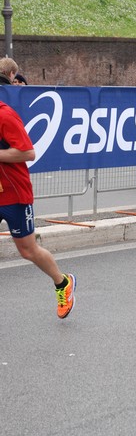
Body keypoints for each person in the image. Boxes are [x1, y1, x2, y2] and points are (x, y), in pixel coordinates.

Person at [0, 100, 76, 318]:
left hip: (14, 195)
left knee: (27, 250)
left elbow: (27, 153)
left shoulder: (5, 116)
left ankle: (62, 283)